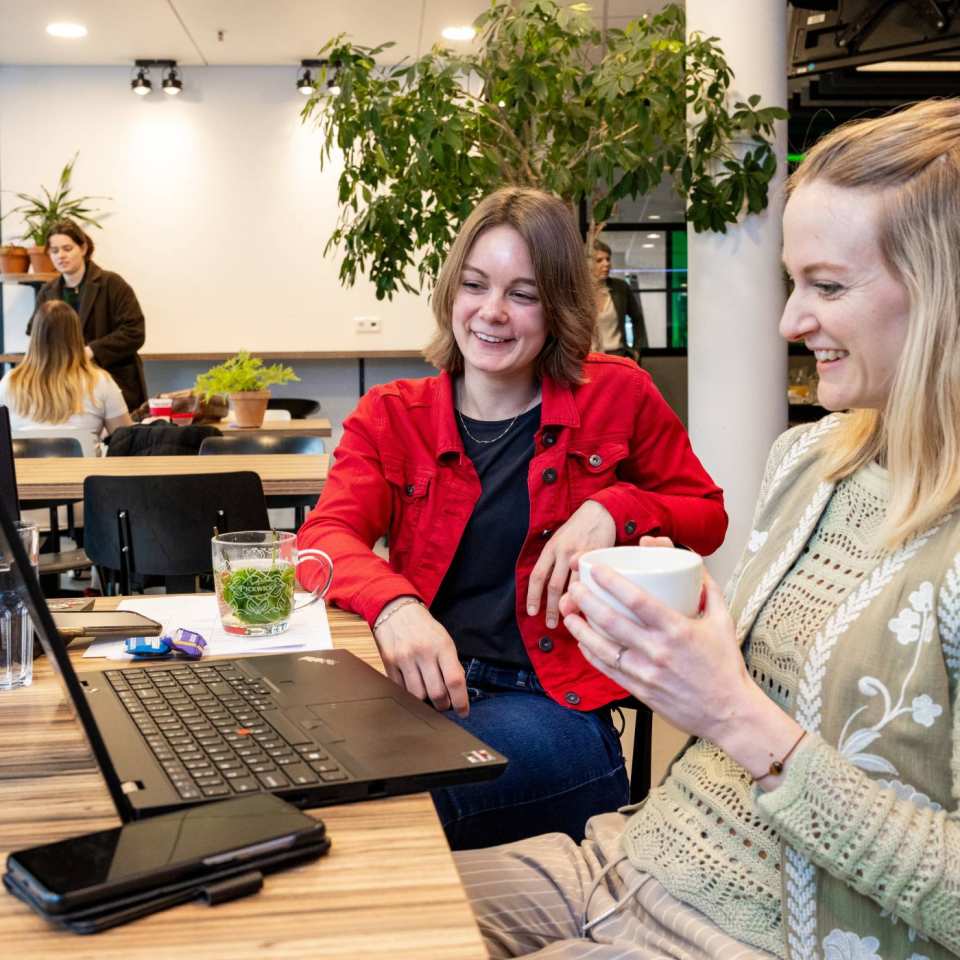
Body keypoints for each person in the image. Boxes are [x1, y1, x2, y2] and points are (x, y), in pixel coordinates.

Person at [454, 100, 960, 958]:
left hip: (737, 936)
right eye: (794, 283)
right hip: (626, 860)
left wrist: (728, 711)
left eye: (828, 286)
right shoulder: (809, 459)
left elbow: (750, 722)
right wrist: (667, 651)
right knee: (326, 913)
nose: (790, 323)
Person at [297, 186, 726, 851]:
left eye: (523, 295)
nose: (492, 313)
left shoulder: (618, 394)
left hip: (556, 713)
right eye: (475, 285)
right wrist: (392, 606)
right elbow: (322, 541)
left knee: (383, 811)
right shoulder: (392, 414)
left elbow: (706, 515)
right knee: (302, 778)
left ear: (558, 308)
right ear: (451, 293)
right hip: (419, 694)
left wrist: (615, 507)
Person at [31, 219, 147, 411]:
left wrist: (90, 351)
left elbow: (134, 332)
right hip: (64, 388)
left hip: (115, 382)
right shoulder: (47, 292)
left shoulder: (112, 284)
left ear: (83, 248)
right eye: (55, 251)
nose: (61, 256)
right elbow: (38, 336)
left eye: (67, 248)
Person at [0, 300, 132, 453]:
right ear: (76, 336)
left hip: (26, 476)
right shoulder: (100, 382)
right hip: (84, 476)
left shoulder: (9, 382)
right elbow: (127, 441)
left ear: (35, 336)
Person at [591, 240, 648, 359]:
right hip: (589, 359)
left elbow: (637, 318)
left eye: (608, 259)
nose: (606, 264)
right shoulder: (578, 291)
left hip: (617, 356)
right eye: (599, 260)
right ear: (587, 264)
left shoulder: (621, 287)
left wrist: (636, 350)